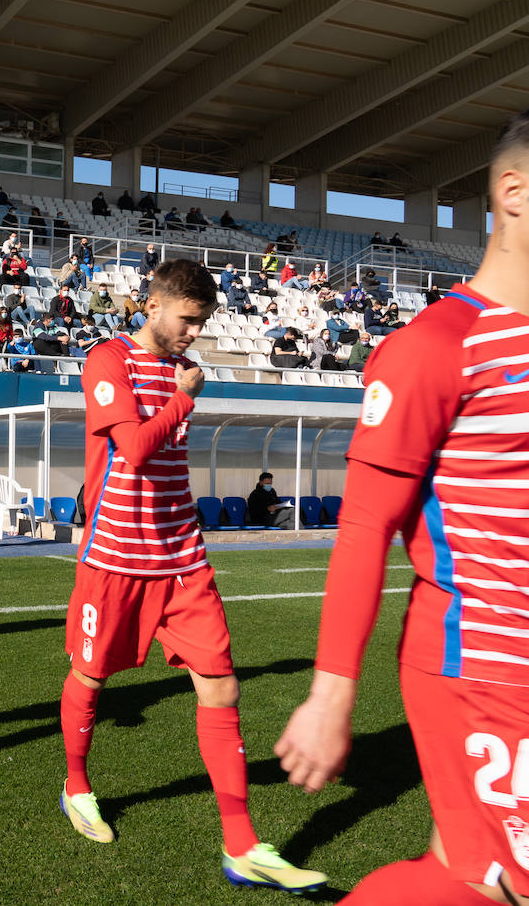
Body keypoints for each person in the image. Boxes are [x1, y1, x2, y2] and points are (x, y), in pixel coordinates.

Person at [274, 116, 529, 905]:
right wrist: (330, 696)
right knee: (496, 883)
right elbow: (364, 528)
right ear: (515, 193)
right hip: (482, 661)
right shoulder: (438, 345)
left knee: (466, 872)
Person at [57, 259, 326, 894]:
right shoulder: (109, 361)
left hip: (182, 560)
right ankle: (77, 785)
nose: (194, 333)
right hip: (115, 560)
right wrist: (184, 398)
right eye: (187, 320)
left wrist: (182, 393)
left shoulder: (182, 369)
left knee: (222, 688)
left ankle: (242, 845)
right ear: (152, 305)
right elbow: (134, 449)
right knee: (90, 675)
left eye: (202, 323)